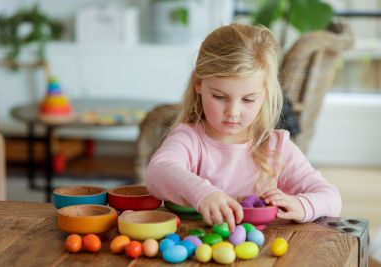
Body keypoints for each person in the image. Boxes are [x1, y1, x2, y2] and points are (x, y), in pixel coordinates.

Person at [145, 23, 341, 232]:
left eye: (248, 99)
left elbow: (331, 197)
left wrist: (303, 204)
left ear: (265, 94)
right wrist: (203, 194)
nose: (233, 112)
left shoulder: (275, 148)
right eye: (220, 97)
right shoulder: (189, 139)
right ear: (199, 84)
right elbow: (158, 171)